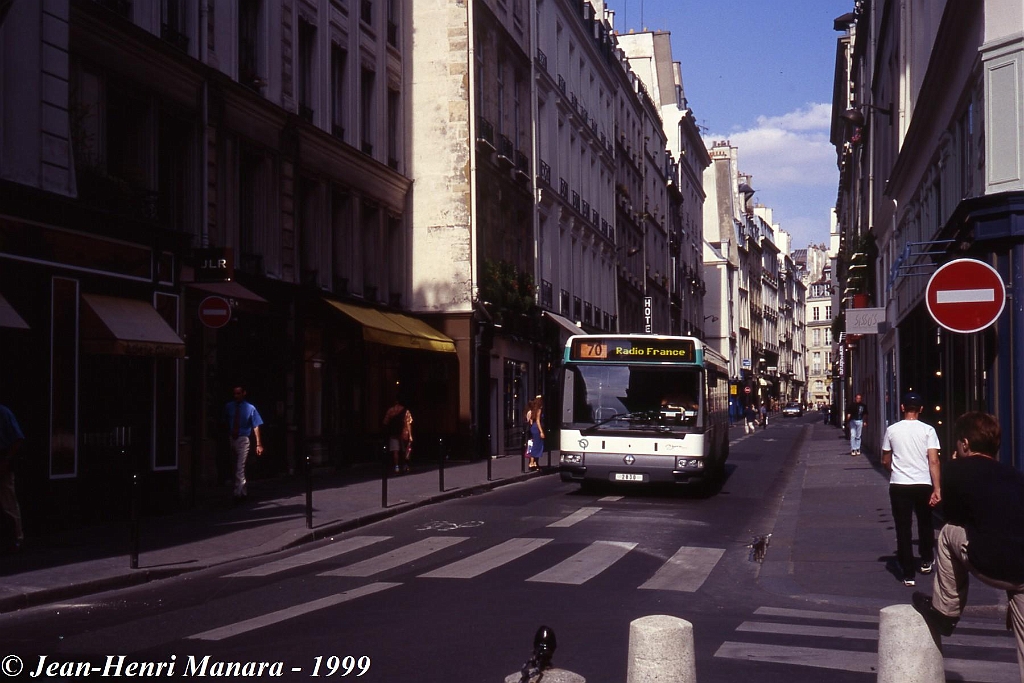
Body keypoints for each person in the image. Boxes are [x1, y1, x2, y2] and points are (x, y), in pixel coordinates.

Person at [912, 412, 1024, 680]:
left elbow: (952, 514)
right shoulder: (1015, 475)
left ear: (964, 444)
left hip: (992, 562)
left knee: (948, 533)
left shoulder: (955, 469)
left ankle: (946, 611)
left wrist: (950, 475)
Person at [881, 391, 941, 587]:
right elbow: (933, 460)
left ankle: (908, 573)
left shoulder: (892, 430)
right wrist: (937, 488)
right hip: (923, 483)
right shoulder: (928, 430)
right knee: (925, 523)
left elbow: (885, 459)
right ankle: (925, 560)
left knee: (903, 527)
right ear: (921, 409)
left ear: (902, 408)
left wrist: (895, 470)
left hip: (899, 484)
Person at [224, 386, 264, 502]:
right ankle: (242, 491)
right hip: (232, 438)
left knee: (240, 466)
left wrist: (258, 444)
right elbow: (225, 421)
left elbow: (256, 426)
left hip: (243, 438)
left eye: (239, 393)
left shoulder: (250, 408)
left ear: (244, 393)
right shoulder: (229, 407)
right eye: (235, 394)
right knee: (234, 466)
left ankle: (238, 493)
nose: (236, 396)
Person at [0, 403, 25, 551]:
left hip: (3, 459)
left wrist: (6, 460)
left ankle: (17, 537)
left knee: (8, 501)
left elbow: (18, 438)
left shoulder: (3, 412)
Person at [383, 399, 410, 475]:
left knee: (395, 451)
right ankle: (405, 465)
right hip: (403, 433)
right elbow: (408, 422)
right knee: (404, 450)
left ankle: (396, 467)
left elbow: (385, 422)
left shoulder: (390, 410)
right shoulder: (405, 410)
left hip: (393, 434)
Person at [527, 395, 545, 471]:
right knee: (537, 445)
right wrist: (541, 431)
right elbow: (538, 421)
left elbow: (531, 421)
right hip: (537, 429)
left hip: (533, 428)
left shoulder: (534, 409)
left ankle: (534, 463)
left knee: (535, 444)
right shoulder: (539, 410)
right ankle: (531, 463)